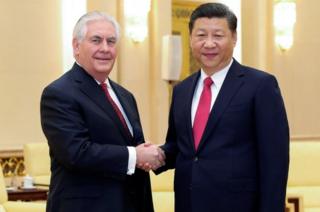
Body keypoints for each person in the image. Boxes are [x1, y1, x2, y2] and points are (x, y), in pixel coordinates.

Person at [155, 3, 289, 212]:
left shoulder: (260, 85)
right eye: (201, 35)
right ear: (191, 39)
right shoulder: (182, 90)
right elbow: (179, 146)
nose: (209, 44)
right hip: (188, 203)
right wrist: (152, 155)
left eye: (218, 35)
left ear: (234, 38)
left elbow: (274, 161)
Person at [40, 11, 164, 212]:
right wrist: (135, 155)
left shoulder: (125, 96)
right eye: (96, 40)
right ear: (76, 46)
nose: (105, 48)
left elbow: (133, 145)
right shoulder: (59, 93)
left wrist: (149, 152)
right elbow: (76, 153)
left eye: (111, 41)